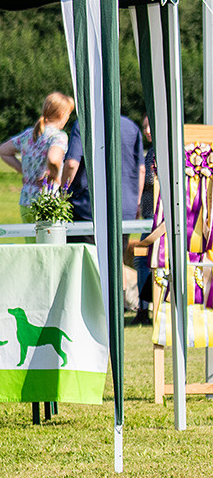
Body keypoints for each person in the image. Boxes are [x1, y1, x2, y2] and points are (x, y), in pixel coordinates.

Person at [62, 115, 145, 247]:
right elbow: (141, 169)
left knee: (87, 264)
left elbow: (71, 164)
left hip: (87, 207)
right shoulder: (132, 127)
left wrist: (63, 192)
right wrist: (137, 201)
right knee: (116, 264)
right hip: (124, 208)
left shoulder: (84, 123)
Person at [0, 92, 75, 223]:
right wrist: (54, 177)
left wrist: (24, 171)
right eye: (68, 114)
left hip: (26, 200)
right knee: (50, 243)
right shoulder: (58, 137)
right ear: (62, 114)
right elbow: (53, 160)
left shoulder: (30, 133)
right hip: (46, 203)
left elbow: (3, 150)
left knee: (31, 243)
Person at [134, 114, 156, 325]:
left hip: (155, 219)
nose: (147, 131)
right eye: (144, 127)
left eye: (150, 126)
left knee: (143, 260)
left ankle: (144, 307)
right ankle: (144, 307)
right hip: (148, 216)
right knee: (143, 260)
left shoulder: (157, 152)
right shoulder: (152, 151)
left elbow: (151, 178)